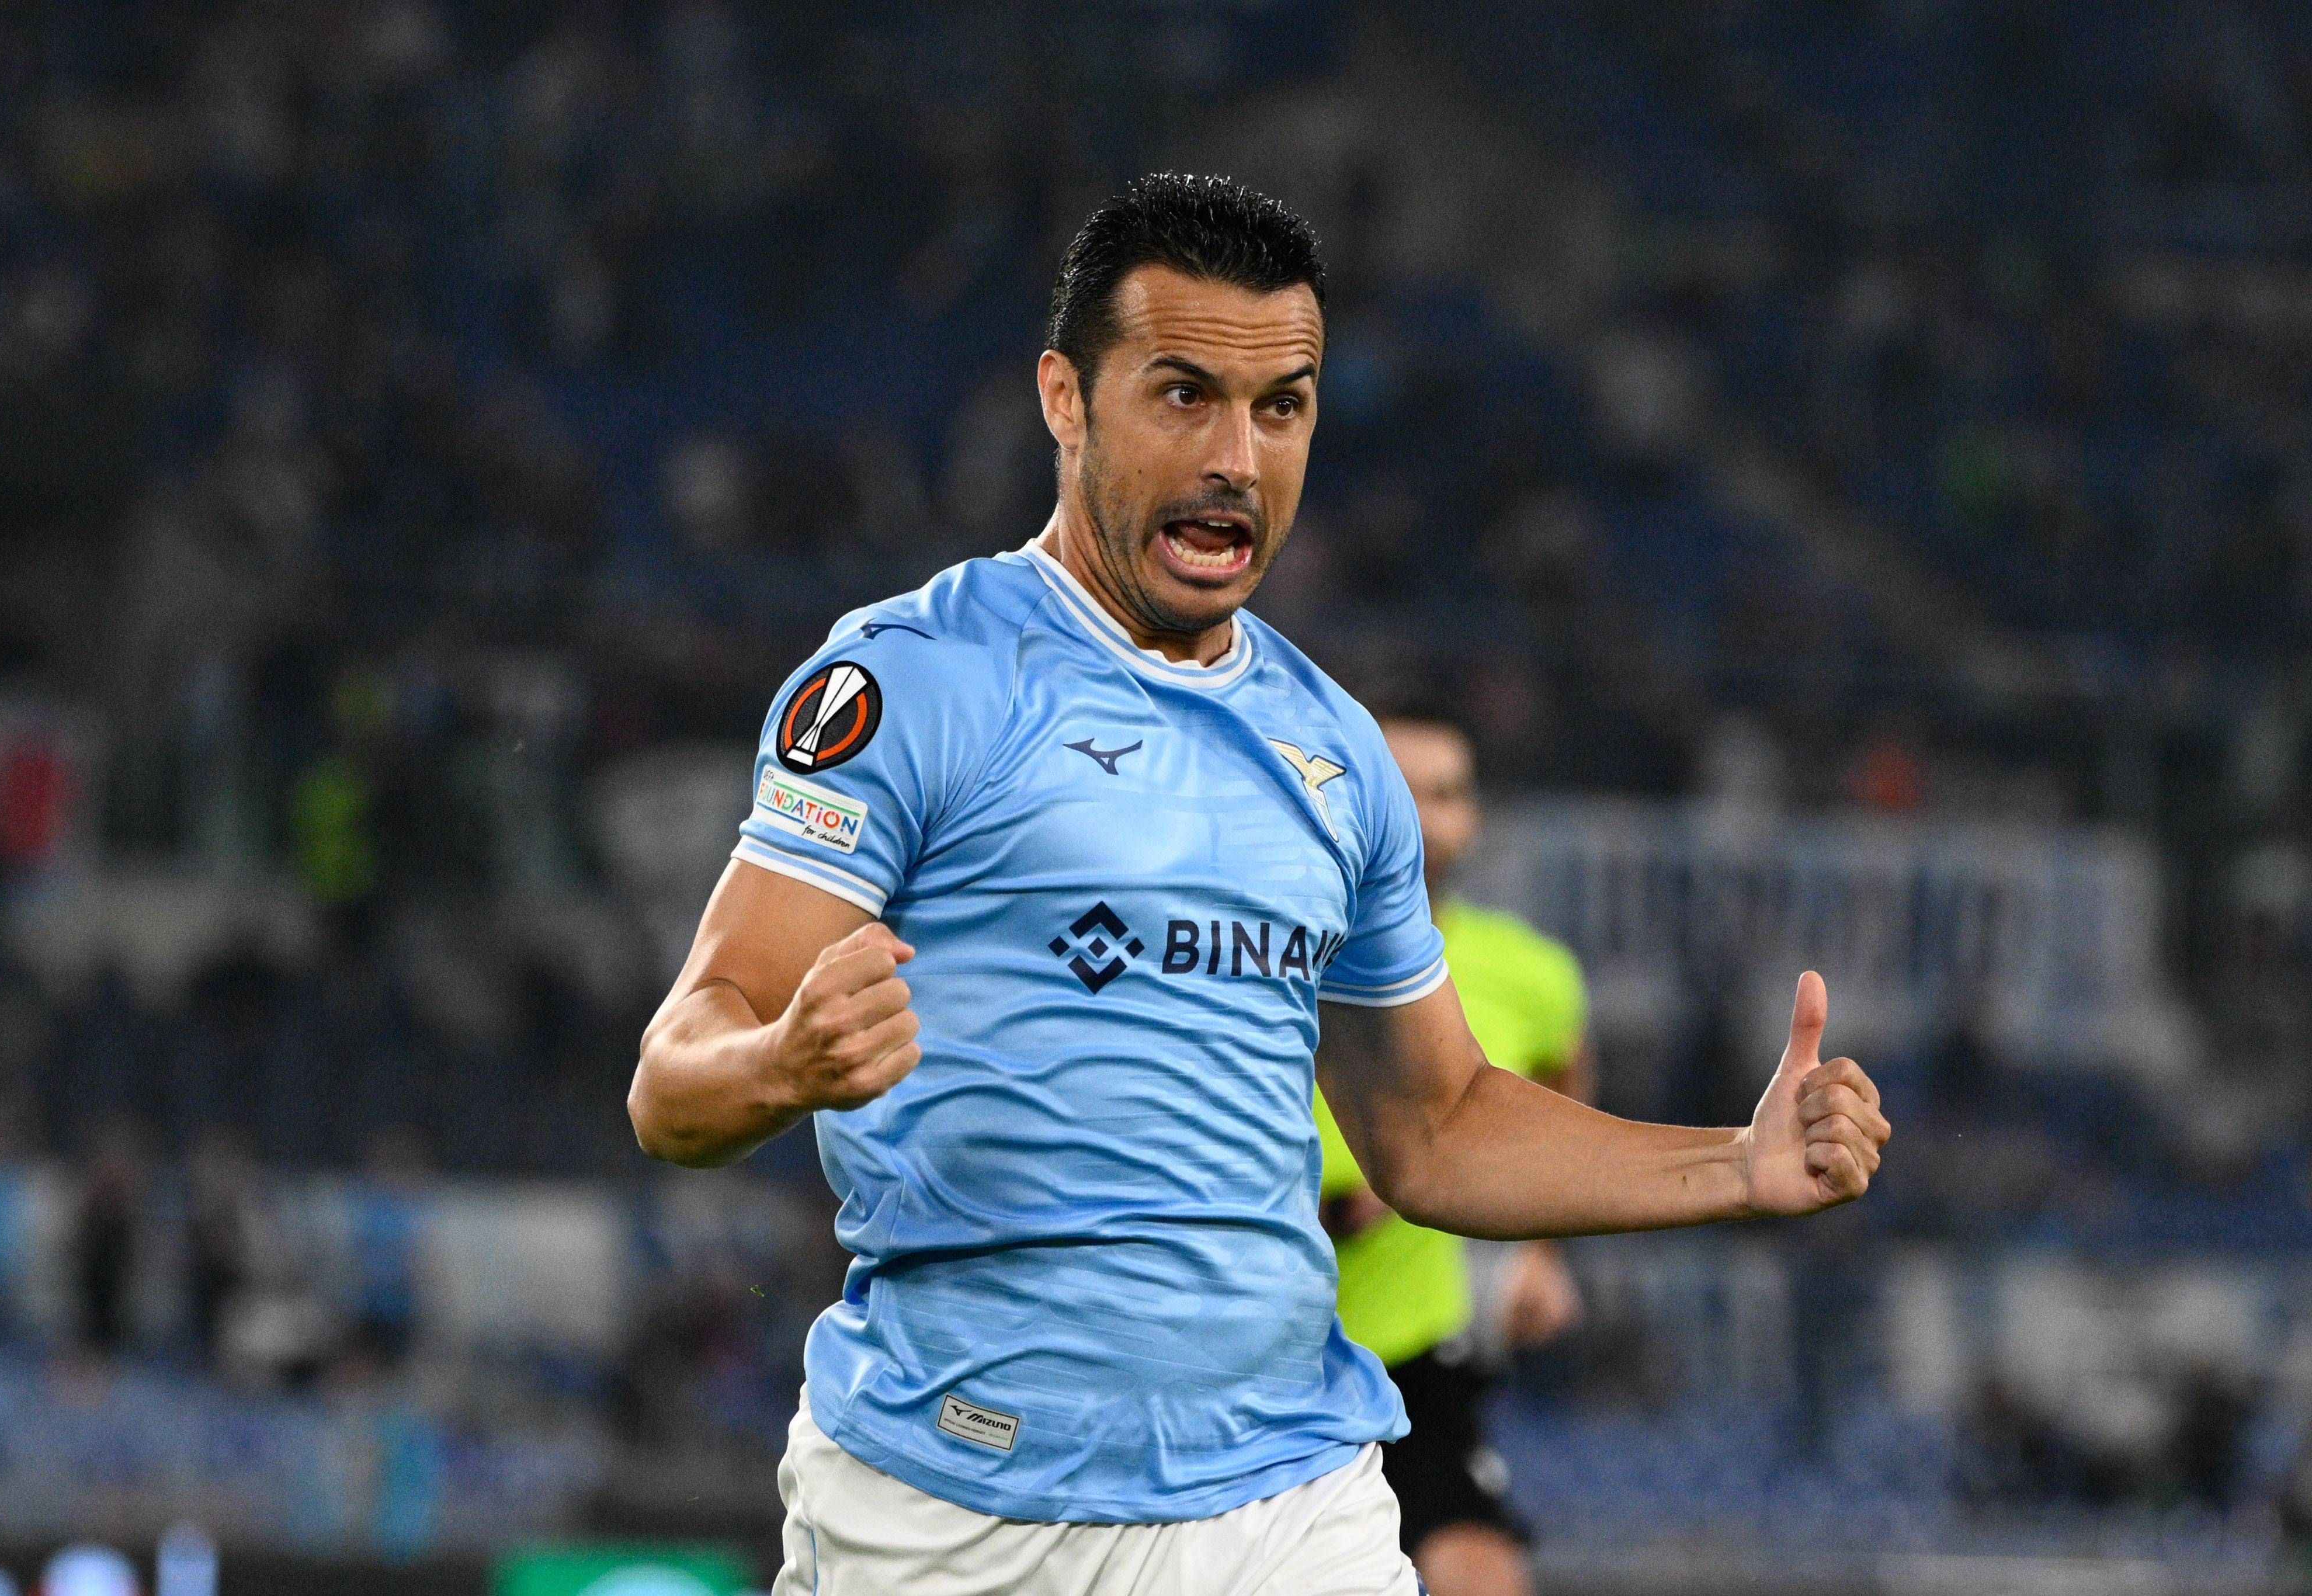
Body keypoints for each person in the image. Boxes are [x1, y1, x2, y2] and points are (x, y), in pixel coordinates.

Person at [629, 174, 1890, 1596]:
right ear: (1064, 398)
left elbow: (1433, 1128)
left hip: (1284, 1499)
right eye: (1182, 394)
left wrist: (1732, 1163)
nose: (1238, 455)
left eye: (1280, 405)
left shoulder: (1334, 753)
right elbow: (672, 1080)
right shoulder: (909, 683)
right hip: (954, 1504)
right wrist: (780, 1060)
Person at [1315, 713, 1592, 1596]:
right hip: (1241, 1336)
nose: (1425, 820)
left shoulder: (1533, 974)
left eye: (1446, 795)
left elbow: (1562, 1083)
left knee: (1482, 1572)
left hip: (1406, 1352)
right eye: (1400, 790)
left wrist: (1543, 1255)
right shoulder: (1267, 939)